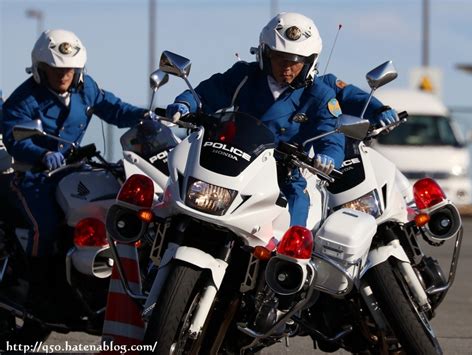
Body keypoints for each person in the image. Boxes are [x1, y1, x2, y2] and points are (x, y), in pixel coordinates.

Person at [166, 12, 398, 227]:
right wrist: (185, 104)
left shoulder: (320, 94)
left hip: (284, 172)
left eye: (295, 61)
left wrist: (330, 158)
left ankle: (287, 266)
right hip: (234, 160)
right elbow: (207, 93)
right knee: (174, 198)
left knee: (298, 214)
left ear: (309, 62)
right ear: (265, 54)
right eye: (279, 59)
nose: (287, 68)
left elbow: (332, 133)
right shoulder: (244, 76)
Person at [2, 29, 147, 259]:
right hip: (34, 176)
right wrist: (42, 155)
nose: (64, 75)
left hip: (74, 169)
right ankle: (37, 286)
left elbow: (116, 110)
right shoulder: (24, 99)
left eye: (69, 69)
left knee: (112, 207)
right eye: (56, 70)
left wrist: (146, 116)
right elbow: (13, 137)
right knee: (46, 228)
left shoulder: (86, 89)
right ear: (41, 69)